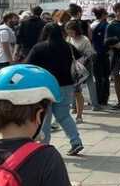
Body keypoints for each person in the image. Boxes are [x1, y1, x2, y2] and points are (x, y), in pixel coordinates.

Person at [25, 23, 83, 156]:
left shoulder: (39, 47)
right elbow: (80, 57)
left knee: (44, 116)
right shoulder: (68, 46)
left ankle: (44, 146)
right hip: (66, 85)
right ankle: (76, 141)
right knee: (64, 115)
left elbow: (28, 64)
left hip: (45, 86)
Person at [66, 20, 95, 124]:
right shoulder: (69, 38)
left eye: (71, 32)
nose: (70, 34)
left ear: (76, 30)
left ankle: (79, 115)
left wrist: (81, 61)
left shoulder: (84, 39)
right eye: (68, 32)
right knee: (73, 91)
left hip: (82, 68)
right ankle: (75, 108)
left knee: (78, 91)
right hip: (71, 67)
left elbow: (89, 54)